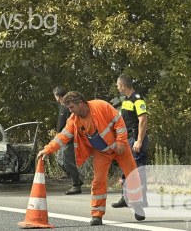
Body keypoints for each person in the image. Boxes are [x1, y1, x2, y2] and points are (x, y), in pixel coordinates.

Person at [37, 91, 145, 226]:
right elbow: (62, 137)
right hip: (102, 152)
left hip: (120, 147)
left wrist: (121, 142)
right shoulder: (73, 120)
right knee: (98, 181)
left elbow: (119, 122)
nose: (70, 111)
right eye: (69, 108)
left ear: (81, 103)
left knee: (132, 176)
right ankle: (97, 215)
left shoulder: (101, 106)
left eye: (72, 107)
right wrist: (47, 150)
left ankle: (137, 205)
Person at [112, 74, 149, 208]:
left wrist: (139, 141)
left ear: (122, 85)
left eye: (117, 85)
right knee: (126, 167)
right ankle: (125, 197)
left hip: (135, 138)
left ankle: (142, 199)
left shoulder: (138, 100)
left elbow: (143, 120)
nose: (117, 88)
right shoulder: (126, 100)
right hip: (127, 139)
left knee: (138, 169)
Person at [53, 86, 83, 194]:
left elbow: (70, 124)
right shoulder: (62, 107)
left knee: (68, 162)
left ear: (57, 96)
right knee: (60, 161)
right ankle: (78, 179)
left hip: (68, 139)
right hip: (61, 138)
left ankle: (76, 185)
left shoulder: (67, 108)